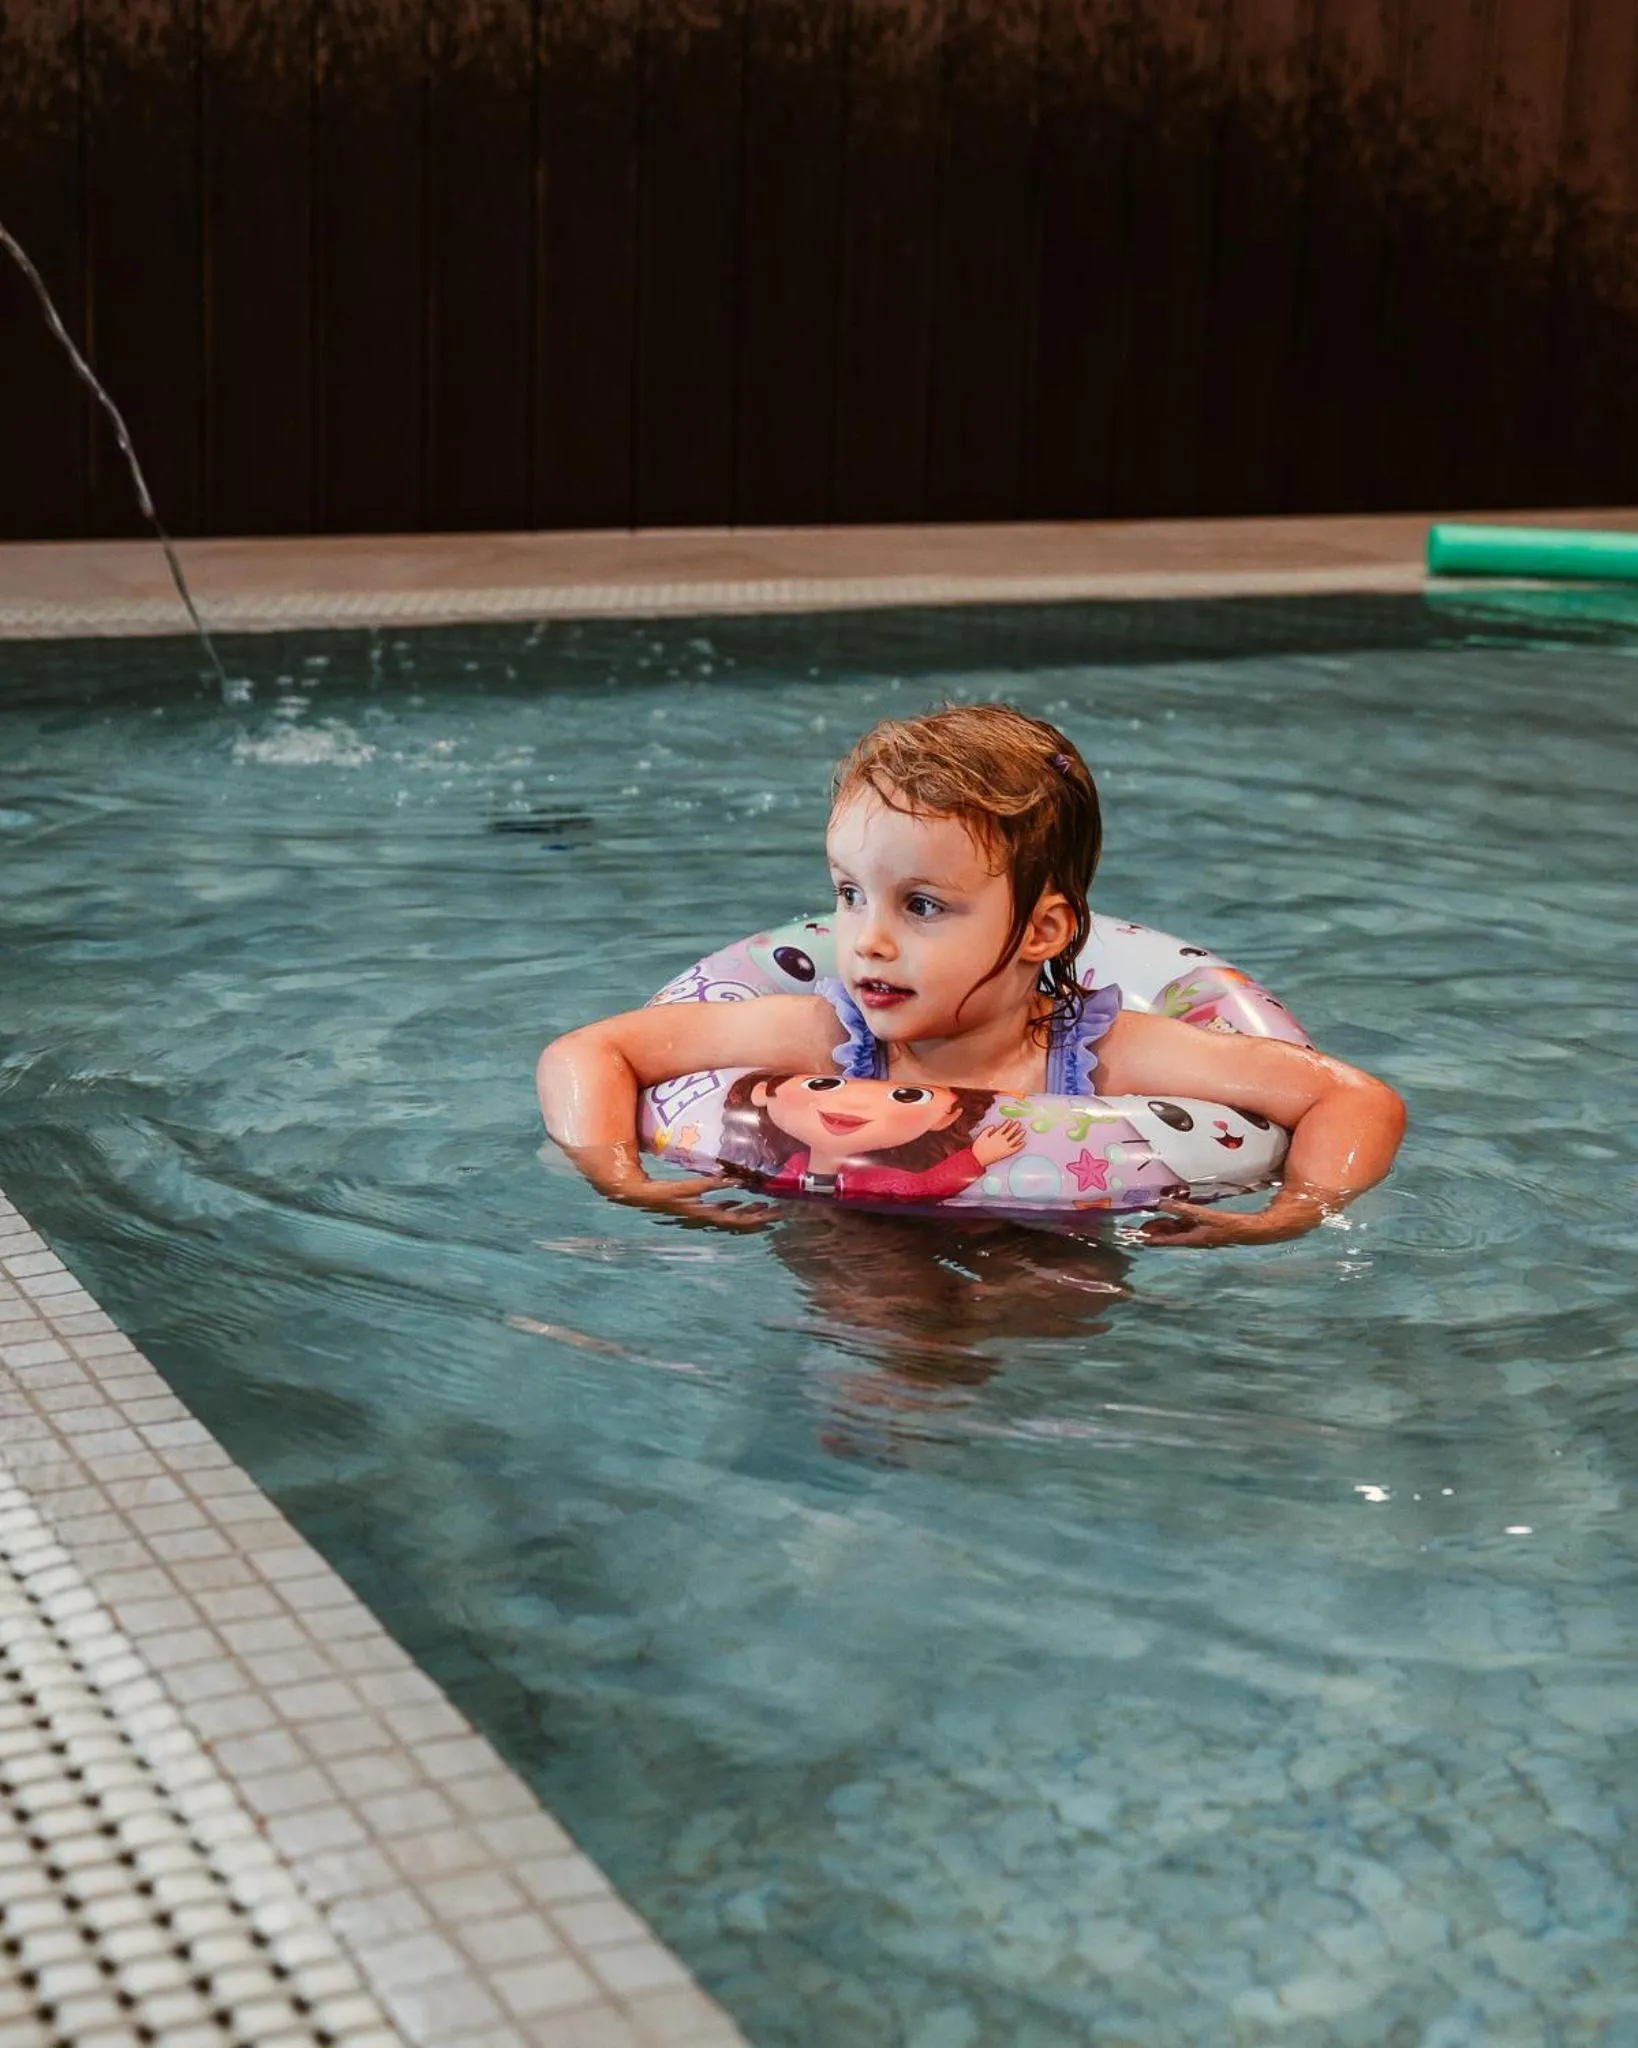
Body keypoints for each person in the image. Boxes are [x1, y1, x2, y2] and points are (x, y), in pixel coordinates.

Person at [536, 704, 1405, 1247]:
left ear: (1044, 930)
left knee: (1053, 1300)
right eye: (849, 894)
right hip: (849, 1244)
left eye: (921, 906)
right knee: (864, 1284)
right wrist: (616, 1172)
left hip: (1052, 1256)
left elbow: (1354, 1099)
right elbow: (589, 1052)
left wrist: (1300, 1210)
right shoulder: (821, 1035)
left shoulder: (1102, 1054)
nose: (866, 943)